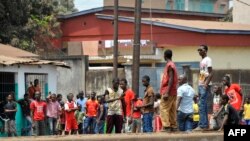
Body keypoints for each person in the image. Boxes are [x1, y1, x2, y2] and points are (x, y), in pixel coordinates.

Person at [194, 45, 213, 131]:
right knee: (202, 105)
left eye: (200, 50)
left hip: (204, 85)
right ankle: (204, 124)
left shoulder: (208, 59)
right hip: (201, 84)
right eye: (198, 50)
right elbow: (202, 74)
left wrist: (206, 83)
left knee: (202, 105)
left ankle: (202, 125)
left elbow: (211, 73)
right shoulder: (202, 61)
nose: (199, 52)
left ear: (205, 51)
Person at [160, 49, 178, 132]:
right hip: (173, 91)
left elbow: (170, 79)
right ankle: (173, 125)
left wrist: (166, 92)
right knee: (171, 109)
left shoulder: (169, 65)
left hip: (168, 91)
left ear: (165, 56)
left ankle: (166, 126)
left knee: (163, 108)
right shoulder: (172, 64)